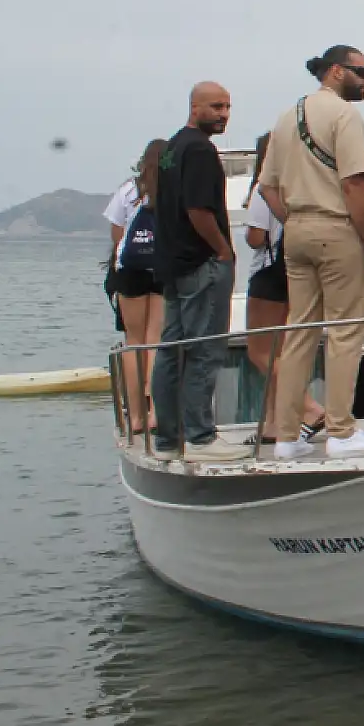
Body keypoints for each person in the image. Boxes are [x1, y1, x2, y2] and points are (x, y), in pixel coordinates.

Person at [260, 47, 364, 460]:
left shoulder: (286, 117)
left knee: (298, 333)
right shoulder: (344, 115)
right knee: (346, 331)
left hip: (296, 230)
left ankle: (285, 437)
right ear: (336, 71)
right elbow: (354, 186)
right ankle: (341, 431)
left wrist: (296, 219)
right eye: (360, 71)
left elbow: (267, 186)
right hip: (336, 228)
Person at [148, 83, 248, 461]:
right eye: (216, 106)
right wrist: (223, 250)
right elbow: (198, 210)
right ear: (194, 107)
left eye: (228, 106)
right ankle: (201, 437)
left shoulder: (172, 148)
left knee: (172, 351)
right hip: (201, 264)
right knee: (204, 350)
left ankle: (168, 439)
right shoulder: (200, 150)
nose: (223, 114)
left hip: (175, 265)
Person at [242, 132, 324, 444]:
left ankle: (309, 406)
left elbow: (255, 237)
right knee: (281, 348)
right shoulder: (301, 186)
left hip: (267, 272)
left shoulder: (265, 187)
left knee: (259, 351)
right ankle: (274, 424)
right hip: (294, 270)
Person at [105, 139, 165, 435]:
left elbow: (118, 236)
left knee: (134, 342)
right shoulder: (172, 191)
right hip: (162, 270)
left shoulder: (128, 191)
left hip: (130, 271)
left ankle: (137, 418)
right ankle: (155, 412)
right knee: (155, 340)